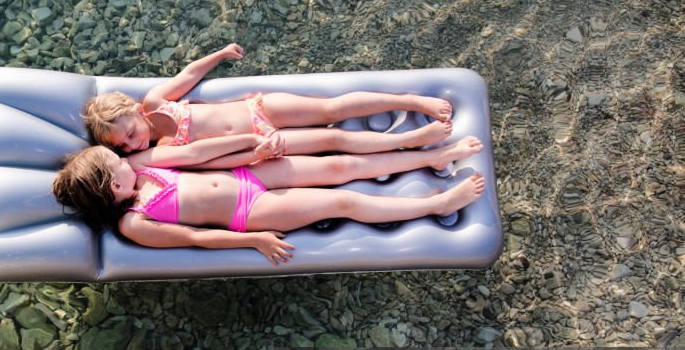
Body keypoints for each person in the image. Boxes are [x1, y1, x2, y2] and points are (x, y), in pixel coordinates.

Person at [52, 137, 487, 265]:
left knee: (339, 166)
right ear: (113, 188)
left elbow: (199, 157)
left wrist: (254, 150)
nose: (123, 158)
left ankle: (433, 156)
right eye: (116, 162)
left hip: (245, 173)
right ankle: (437, 205)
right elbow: (196, 239)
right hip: (249, 212)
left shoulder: (143, 164)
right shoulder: (135, 222)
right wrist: (254, 240)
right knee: (345, 202)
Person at [82, 43, 455, 165]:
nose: (132, 145)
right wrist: (259, 154)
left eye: (129, 134)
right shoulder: (162, 151)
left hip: (258, 111)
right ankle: (411, 140)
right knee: (335, 141)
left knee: (332, 109)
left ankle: (410, 100)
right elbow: (213, 160)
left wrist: (220, 54)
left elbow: (189, 74)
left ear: (133, 109)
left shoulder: (156, 102)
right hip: (261, 142)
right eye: (123, 146)